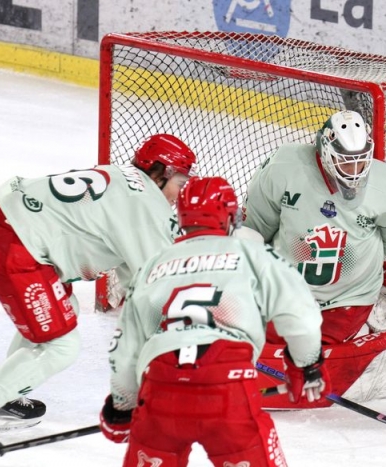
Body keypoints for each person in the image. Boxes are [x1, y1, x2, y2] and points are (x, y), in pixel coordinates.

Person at [0, 134, 195, 449]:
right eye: (179, 183)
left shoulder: (122, 178)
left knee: (64, 309)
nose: (180, 194)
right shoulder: (148, 206)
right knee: (61, 345)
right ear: (160, 173)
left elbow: (138, 279)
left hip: (1, 225)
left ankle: (6, 393)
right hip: (15, 246)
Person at [99, 176, 329, 467]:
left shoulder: (153, 265)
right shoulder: (253, 254)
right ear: (230, 217)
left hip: (161, 391)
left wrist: (122, 408)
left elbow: (126, 349)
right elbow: (301, 315)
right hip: (228, 392)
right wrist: (307, 366)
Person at [242, 110, 386, 406]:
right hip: (286, 292)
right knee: (257, 338)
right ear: (327, 150)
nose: (355, 168)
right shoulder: (284, 166)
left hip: (349, 298)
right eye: (346, 159)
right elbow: (256, 225)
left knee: (313, 352)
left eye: (360, 159)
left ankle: (366, 326)